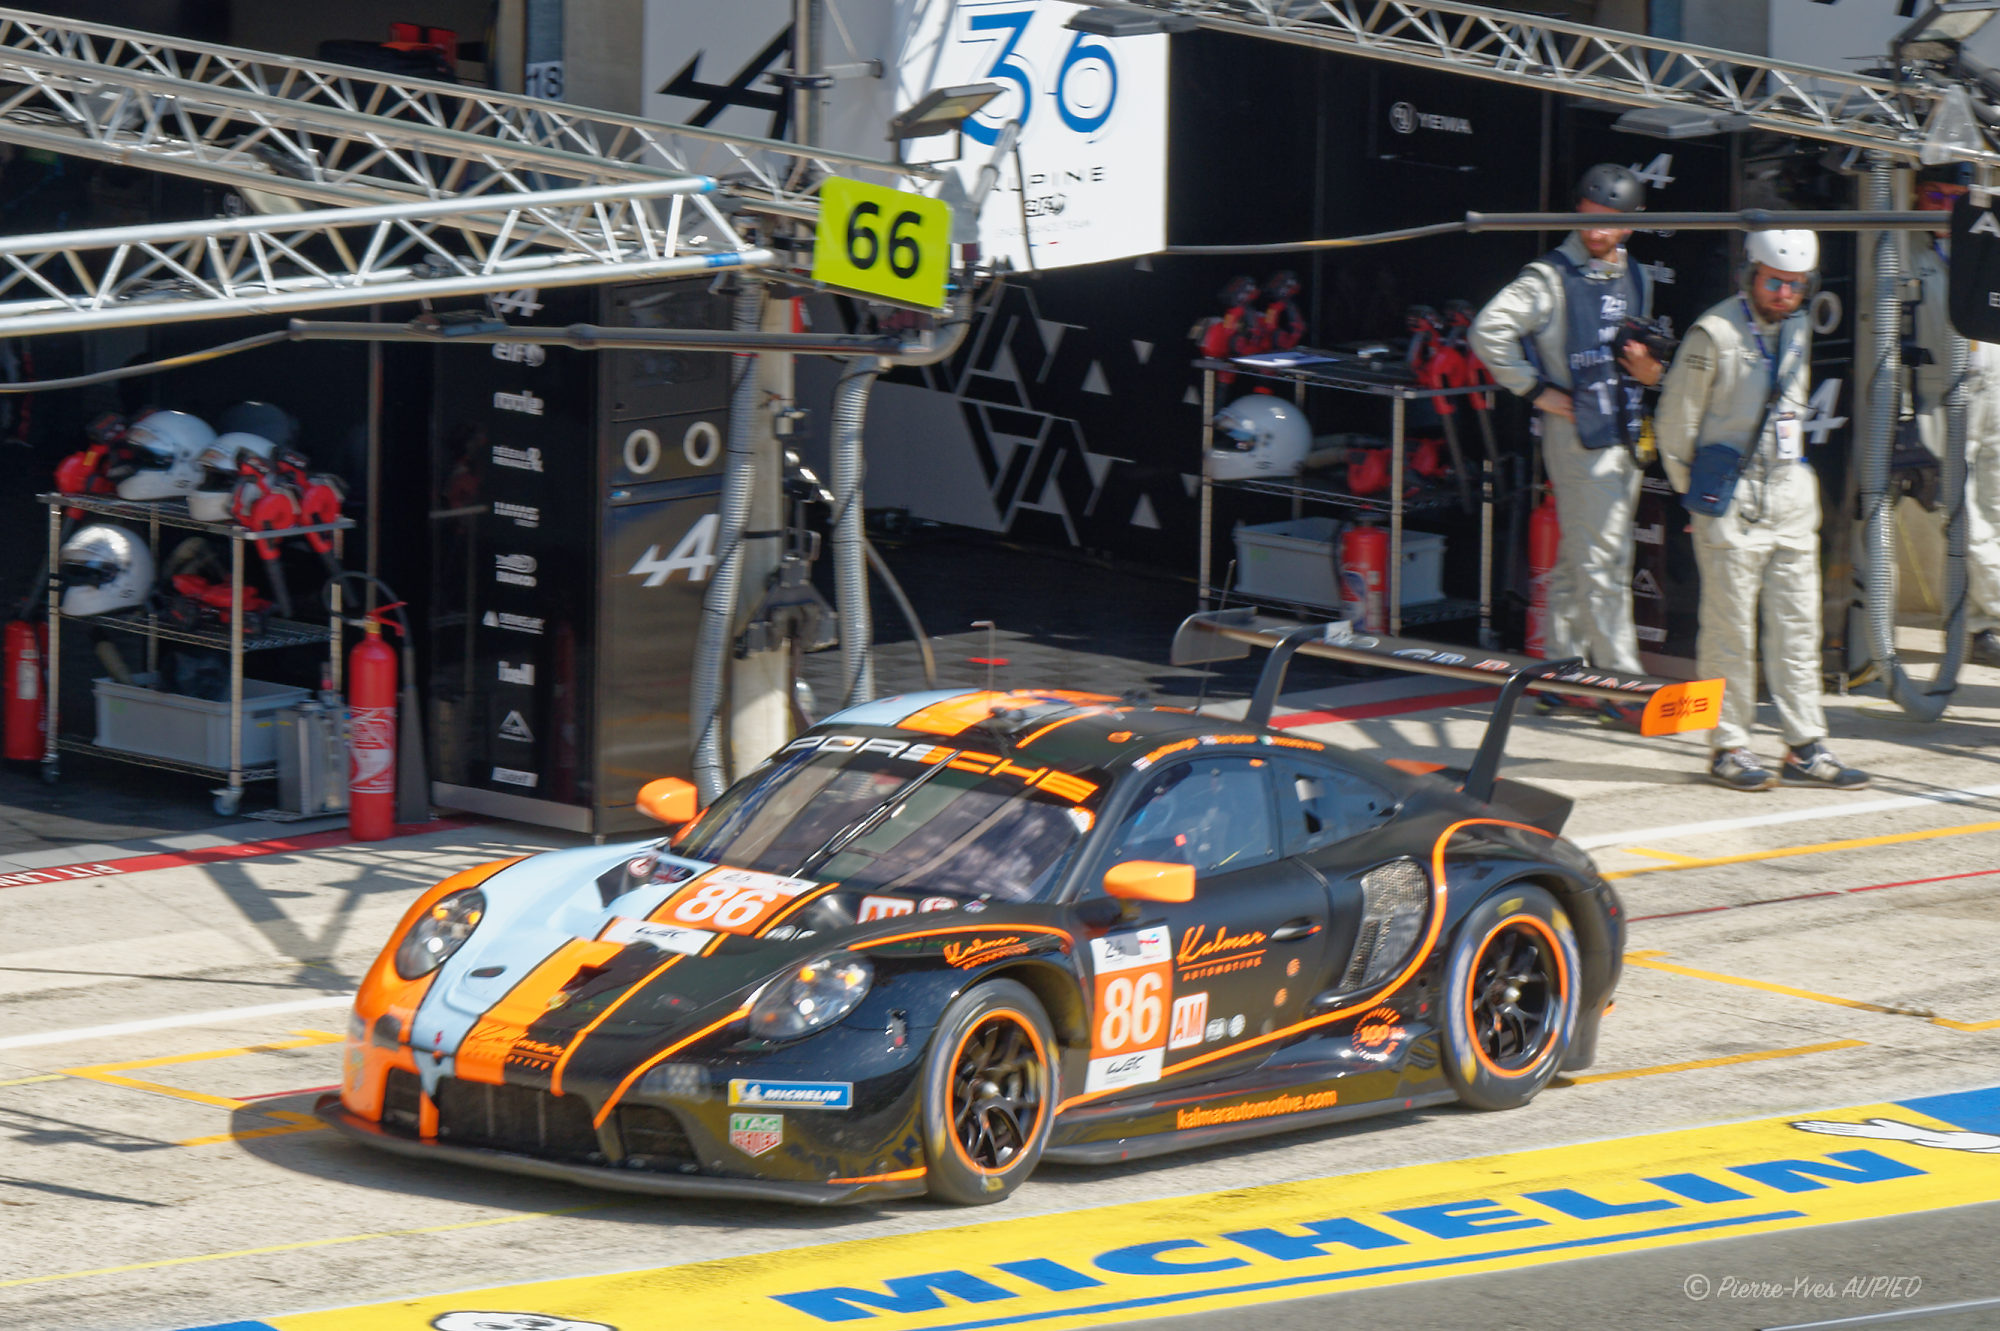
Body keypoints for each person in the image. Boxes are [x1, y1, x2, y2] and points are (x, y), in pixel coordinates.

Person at [1653, 229, 1869, 791]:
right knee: (1729, 631)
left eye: (1797, 285)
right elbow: (1676, 424)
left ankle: (1803, 743)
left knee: (1799, 627)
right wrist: (1696, 498)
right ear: (1750, 274)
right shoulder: (1715, 334)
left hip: (1788, 493)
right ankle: (1728, 744)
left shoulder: (1797, 327)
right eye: (1776, 281)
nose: (1785, 294)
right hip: (1731, 497)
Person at [1471, 164, 1666, 719]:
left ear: (1631, 225)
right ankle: (1623, 687)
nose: (1597, 231)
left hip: (1624, 429)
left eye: (1610, 222)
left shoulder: (1636, 274)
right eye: (1589, 218)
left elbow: (1638, 356)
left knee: (1584, 556)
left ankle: (1558, 670)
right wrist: (1535, 390)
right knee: (1604, 560)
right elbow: (1487, 330)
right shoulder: (1550, 276)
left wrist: (1649, 370)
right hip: (1578, 435)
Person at [1909, 165, 2000, 665]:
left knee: (1996, 511)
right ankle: (1988, 621)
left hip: (1996, 389)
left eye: (1956, 196)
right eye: (1934, 195)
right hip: (1942, 397)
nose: (1945, 207)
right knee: (1966, 516)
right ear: (1917, 197)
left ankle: (1981, 626)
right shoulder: (1904, 250)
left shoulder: (1989, 241)